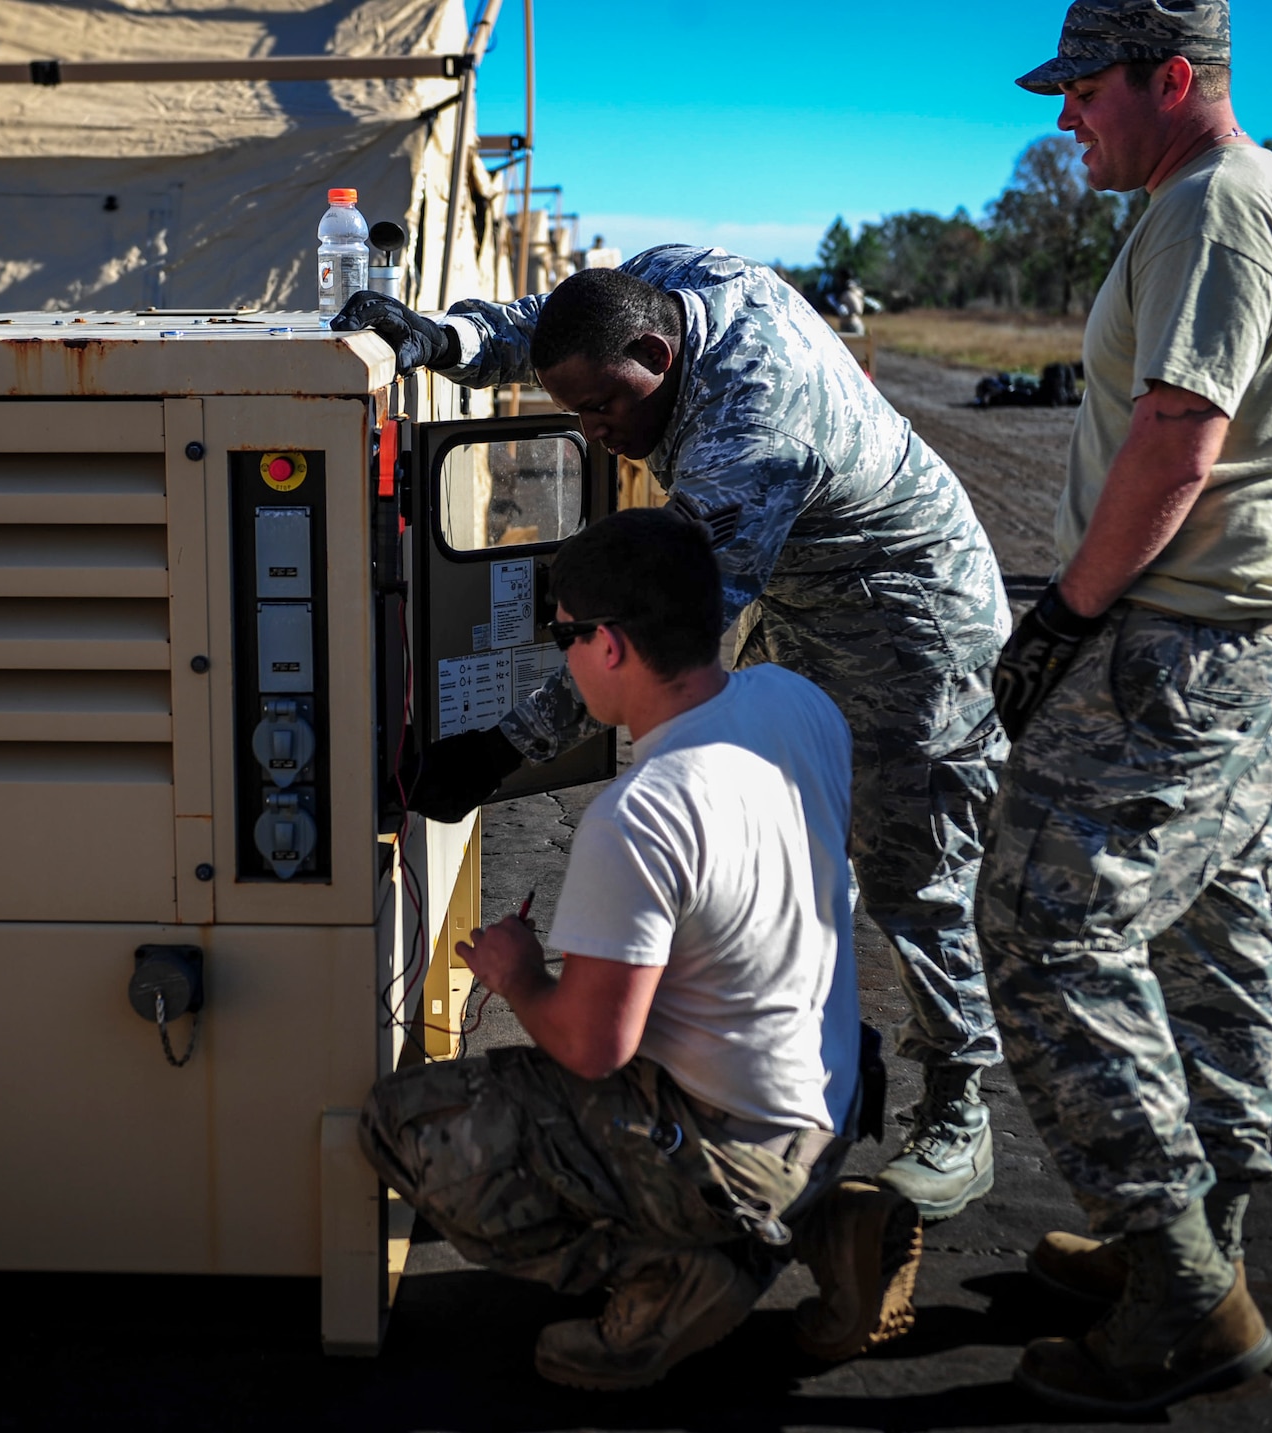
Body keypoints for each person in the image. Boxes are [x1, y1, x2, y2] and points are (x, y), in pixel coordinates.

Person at [336, 247, 1012, 1224]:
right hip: (803, 601)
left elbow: (650, 639)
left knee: (913, 872)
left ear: (659, 353)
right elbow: (556, 323)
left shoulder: (750, 435)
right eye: (576, 412)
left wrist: (498, 749)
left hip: (910, 627)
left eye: (605, 409)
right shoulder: (674, 281)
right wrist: (450, 338)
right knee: (770, 835)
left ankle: (957, 1110)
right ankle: (766, 1051)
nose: (593, 431)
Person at [988, 0, 1272, 1414]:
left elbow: (1178, 429)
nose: (1065, 116)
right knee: (1219, 918)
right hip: (1252, 635)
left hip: (1175, 640)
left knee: (1044, 925)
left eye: (1085, 87)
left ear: (1173, 76)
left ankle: (1177, 1280)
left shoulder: (1211, 205)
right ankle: (1199, 1234)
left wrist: (1067, 614)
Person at [358, 509, 922, 1390]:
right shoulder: (794, 702)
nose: (563, 655)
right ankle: (821, 1224)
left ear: (610, 645)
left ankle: (679, 1272)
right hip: (834, 1100)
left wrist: (517, 972)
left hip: (736, 1149)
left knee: (402, 1121)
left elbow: (592, 1046)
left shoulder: (641, 815)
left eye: (565, 636)